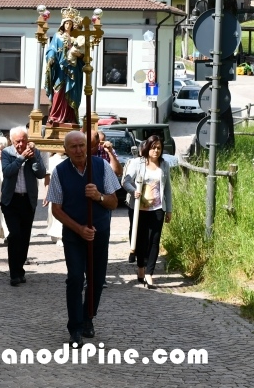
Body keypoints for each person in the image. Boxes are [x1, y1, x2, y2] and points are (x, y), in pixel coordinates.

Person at [48, 130, 121, 347]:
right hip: (74, 234)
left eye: (82, 145)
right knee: (75, 279)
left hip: (99, 232)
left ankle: (89, 317)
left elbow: (114, 202)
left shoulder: (101, 166)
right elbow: (56, 209)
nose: (79, 150)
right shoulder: (59, 172)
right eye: (73, 147)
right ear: (66, 150)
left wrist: (98, 196)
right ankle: (75, 327)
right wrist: (79, 229)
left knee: (96, 279)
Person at [122, 134, 172, 288]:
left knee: (154, 240)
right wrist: (133, 191)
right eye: (153, 147)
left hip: (157, 208)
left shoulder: (164, 165)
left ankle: (150, 274)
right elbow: (125, 181)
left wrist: (169, 209)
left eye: (159, 148)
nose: (156, 151)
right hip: (139, 208)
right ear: (147, 148)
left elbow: (168, 188)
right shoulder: (138, 163)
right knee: (141, 239)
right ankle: (141, 268)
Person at [1, 126, 46, 286]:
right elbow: (7, 171)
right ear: (12, 141)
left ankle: (20, 270)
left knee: (25, 237)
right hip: (11, 201)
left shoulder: (35, 152)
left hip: (27, 200)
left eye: (23, 140)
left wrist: (33, 158)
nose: (21, 144)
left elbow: (40, 173)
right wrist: (21, 158)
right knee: (15, 235)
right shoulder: (7, 153)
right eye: (17, 141)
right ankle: (14, 273)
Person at [44, 7, 85, 125]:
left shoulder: (74, 38)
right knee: (58, 91)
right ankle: (55, 116)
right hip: (60, 69)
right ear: (63, 24)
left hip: (72, 69)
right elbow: (51, 49)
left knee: (71, 92)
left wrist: (78, 54)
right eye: (66, 23)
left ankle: (70, 117)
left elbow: (80, 52)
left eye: (70, 23)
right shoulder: (57, 36)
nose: (68, 25)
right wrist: (51, 58)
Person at [43, 150, 67, 246]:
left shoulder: (69, 160)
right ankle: (55, 234)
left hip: (66, 190)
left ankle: (61, 236)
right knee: (53, 214)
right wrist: (47, 193)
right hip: (54, 190)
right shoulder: (51, 160)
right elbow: (47, 178)